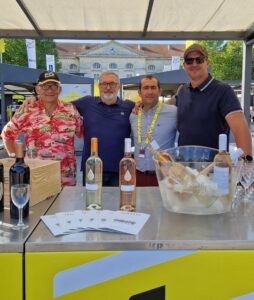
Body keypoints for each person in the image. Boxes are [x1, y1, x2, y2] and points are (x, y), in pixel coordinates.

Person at [1, 71, 83, 186]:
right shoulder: (26, 110)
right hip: (36, 176)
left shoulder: (70, 109)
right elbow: (7, 134)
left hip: (65, 177)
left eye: (54, 86)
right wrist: (15, 158)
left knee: (66, 204)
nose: (50, 90)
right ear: (38, 89)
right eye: (45, 86)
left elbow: (82, 133)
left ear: (59, 89)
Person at [177, 43, 252, 158]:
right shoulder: (182, 92)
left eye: (199, 59)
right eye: (189, 61)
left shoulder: (223, 90)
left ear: (207, 62)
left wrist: (247, 162)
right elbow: (168, 106)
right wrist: (144, 104)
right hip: (184, 167)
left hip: (214, 169)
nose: (194, 64)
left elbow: (240, 127)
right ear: (184, 65)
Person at [73, 71, 135, 186]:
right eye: (104, 84)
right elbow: (59, 106)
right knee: (92, 202)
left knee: (117, 202)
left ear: (118, 86)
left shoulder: (129, 106)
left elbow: (148, 108)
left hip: (120, 168)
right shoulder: (87, 103)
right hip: (91, 167)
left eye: (112, 84)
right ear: (99, 86)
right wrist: (35, 101)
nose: (108, 87)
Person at [130, 75, 177, 186]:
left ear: (159, 91)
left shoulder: (174, 112)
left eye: (153, 87)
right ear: (139, 92)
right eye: (146, 88)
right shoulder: (133, 115)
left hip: (165, 176)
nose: (150, 92)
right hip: (138, 175)